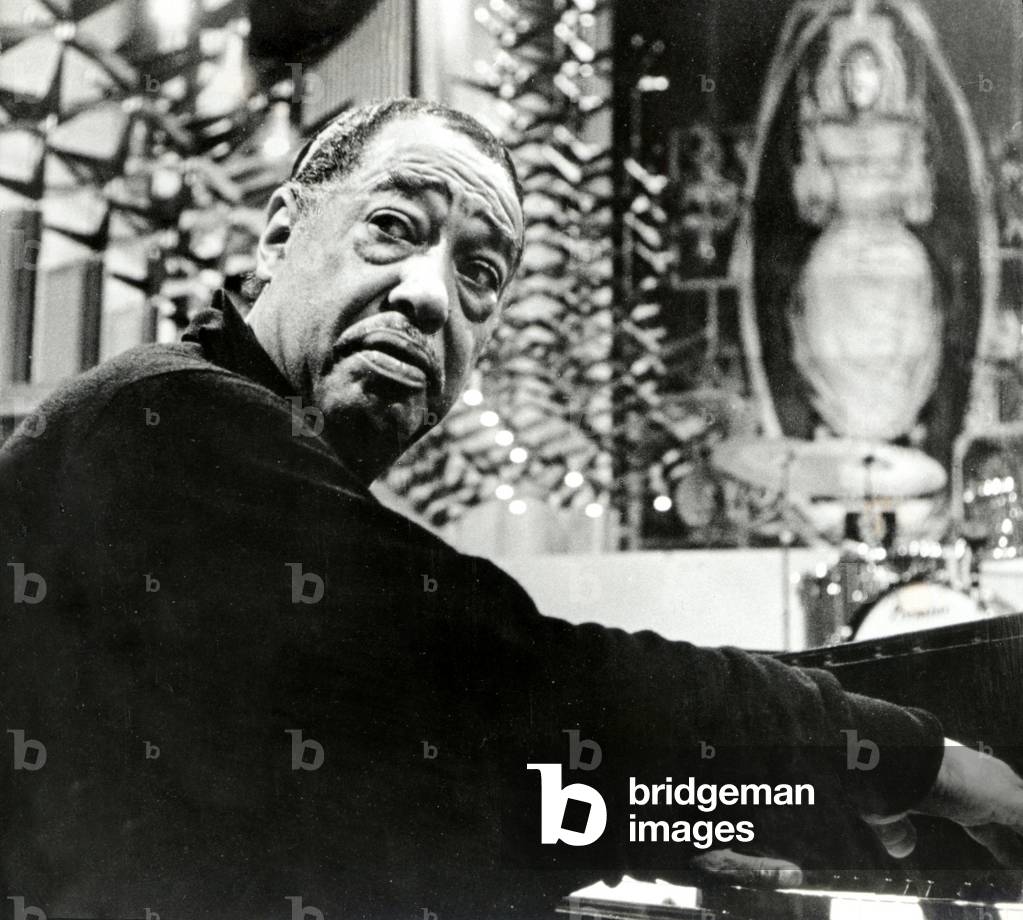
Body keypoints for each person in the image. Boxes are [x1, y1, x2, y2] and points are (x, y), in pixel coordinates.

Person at [1, 98, 1021, 920]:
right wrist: (924, 757)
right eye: (393, 227)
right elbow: (518, 680)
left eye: (478, 273)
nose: (429, 295)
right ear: (277, 236)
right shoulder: (165, 417)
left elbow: (378, 780)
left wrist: (648, 819)